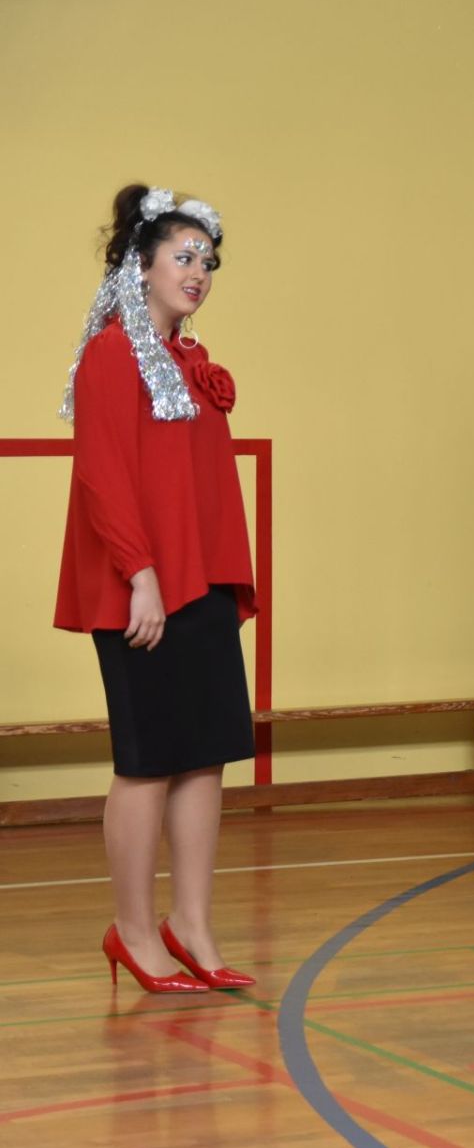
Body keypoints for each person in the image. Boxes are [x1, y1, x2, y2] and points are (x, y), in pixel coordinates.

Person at [57, 184, 259, 994]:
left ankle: (193, 928)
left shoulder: (188, 363)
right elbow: (102, 473)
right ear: (141, 265)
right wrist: (140, 575)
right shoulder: (113, 353)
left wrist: (213, 583)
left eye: (207, 260)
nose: (199, 271)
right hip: (142, 586)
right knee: (147, 763)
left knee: (206, 756)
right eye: (183, 257)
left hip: (200, 580)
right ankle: (135, 933)